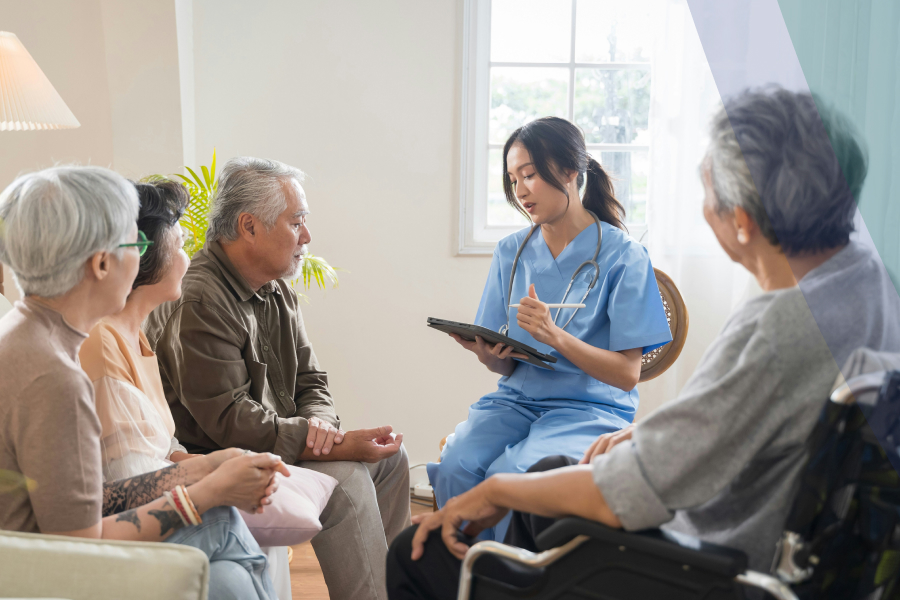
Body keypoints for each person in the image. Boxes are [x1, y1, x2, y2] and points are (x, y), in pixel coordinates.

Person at [386, 89, 900, 599]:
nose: (521, 187)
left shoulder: (776, 329)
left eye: (708, 195)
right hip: (787, 545)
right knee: (542, 475)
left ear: (741, 222)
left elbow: (627, 492)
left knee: (417, 552)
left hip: (703, 562)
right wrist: (651, 436)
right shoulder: (872, 285)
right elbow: (735, 423)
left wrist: (497, 491)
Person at [0, 165, 290, 600]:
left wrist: (202, 467)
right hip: (40, 578)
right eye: (136, 243)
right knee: (221, 520)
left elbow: (85, 500)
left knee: (228, 581)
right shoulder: (55, 376)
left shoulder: (28, 334)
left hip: (31, 558)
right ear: (100, 263)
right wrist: (207, 493)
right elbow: (78, 546)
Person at [144, 157, 411, 600]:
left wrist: (322, 428)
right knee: (346, 481)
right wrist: (331, 444)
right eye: (297, 222)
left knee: (390, 462)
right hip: (223, 457)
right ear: (249, 227)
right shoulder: (200, 299)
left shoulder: (276, 286)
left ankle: (393, 589)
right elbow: (230, 421)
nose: (307, 236)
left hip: (280, 442)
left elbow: (312, 380)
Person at [427, 116, 672, 541]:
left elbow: (627, 374)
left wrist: (554, 336)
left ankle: (509, 582)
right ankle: (462, 580)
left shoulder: (624, 256)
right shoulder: (512, 251)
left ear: (571, 173)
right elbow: (502, 368)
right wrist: (488, 353)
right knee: (458, 465)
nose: (520, 190)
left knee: (513, 476)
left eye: (530, 175)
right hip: (516, 401)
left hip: (590, 409)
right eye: (512, 178)